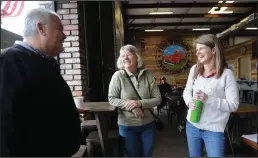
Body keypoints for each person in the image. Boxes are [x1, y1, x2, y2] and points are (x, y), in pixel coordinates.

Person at [0, 8, 83, 156]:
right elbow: (7, 121)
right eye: (60, 29)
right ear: (41, 28)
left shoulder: (43, 60)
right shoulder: (11, 60)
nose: (64, 35)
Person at [183, 34, 239, 157]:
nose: (198, 52)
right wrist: (189, 101)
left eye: (201, 48)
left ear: (213, 50)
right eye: (197, 50)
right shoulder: (194, 69)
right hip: (192, 125)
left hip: (214, 129)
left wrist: (208, 99)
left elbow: (234, 105)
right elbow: (187, 90)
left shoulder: (227, 74)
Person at [108, 44, 161, 157]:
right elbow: (112, 99)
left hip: (148, 125)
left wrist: (139, 103)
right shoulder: (118, 76)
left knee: (147, 155)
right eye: (123, 55)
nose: (125, 58)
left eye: (129, 54)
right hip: (127, 125)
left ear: (137, 57)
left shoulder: (147, 75)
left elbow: (158, 99)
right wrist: (131, 105)